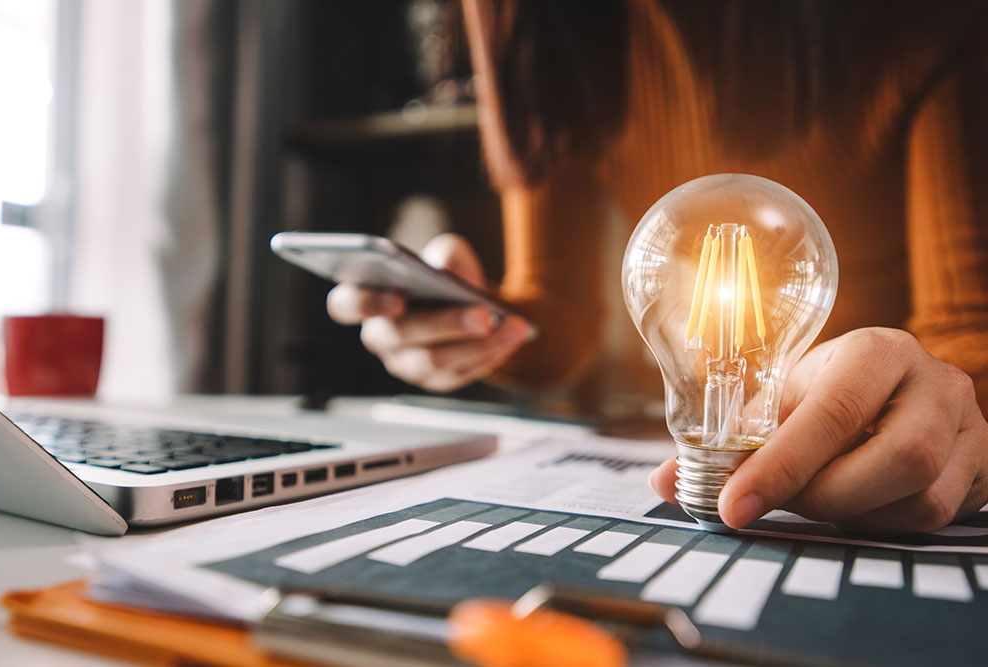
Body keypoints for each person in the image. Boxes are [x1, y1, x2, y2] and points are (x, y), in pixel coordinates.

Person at [327, 0, 988, 533]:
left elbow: (970, 332)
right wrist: (469, 315)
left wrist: (946, 405)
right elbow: (555, 309)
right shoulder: (527, 14)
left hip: (873, 417)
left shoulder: (916, 17)